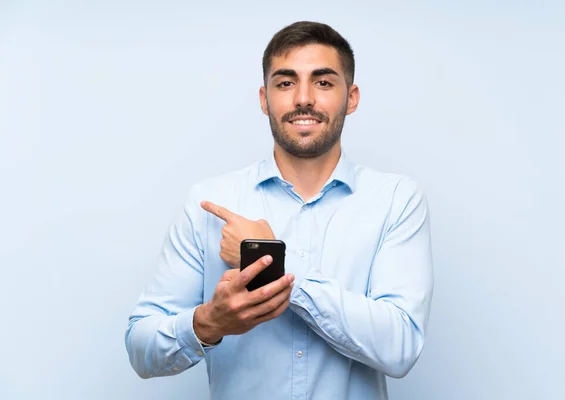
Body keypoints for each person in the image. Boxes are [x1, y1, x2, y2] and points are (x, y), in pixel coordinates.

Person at [125, 21, 434, 400]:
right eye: (286, 83)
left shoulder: (396, 200)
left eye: (323, 82)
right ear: (264, 98)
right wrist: (208, 323)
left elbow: (400, 348)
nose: (304, 98)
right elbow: (141, 348)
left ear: (351, 98)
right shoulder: (209, 203)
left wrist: (275, 265)